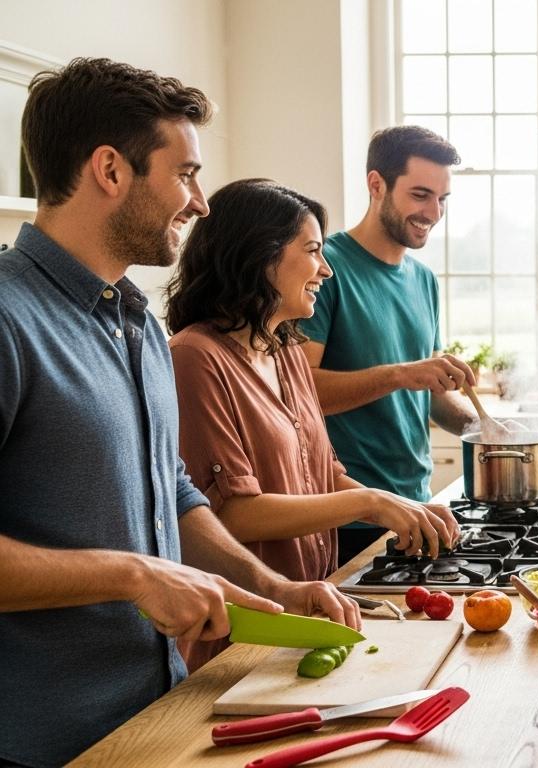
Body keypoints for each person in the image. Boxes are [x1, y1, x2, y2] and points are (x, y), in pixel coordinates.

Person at [0, 58, 357, 768]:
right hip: (41, 743)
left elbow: (175, 492)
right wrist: (134, 575)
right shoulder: (9, 318)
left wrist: (272, 586)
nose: (199, 203)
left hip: (163, 711)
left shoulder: (136, 321)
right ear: (110, 170)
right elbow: (142, 561)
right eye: (185, 174)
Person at [164, 179, 460, 671]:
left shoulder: (285, 352)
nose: (325, 269)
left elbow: (324, 472)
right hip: (245, 631)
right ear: (260, 256)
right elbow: (232, 514)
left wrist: (398, 506)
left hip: (310, 609)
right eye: (312, 251)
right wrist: (371, 501)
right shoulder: (194, 358)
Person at [298, 126, 480, 565]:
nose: (433, 212)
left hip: (416, 507)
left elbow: (431, 396)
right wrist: (402, 374)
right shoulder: (324, 268)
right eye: (420, 195)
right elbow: (302, 396)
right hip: (347, 517)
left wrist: (487, 431)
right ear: (376, 184)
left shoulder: (423, 280)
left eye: (442, 199)